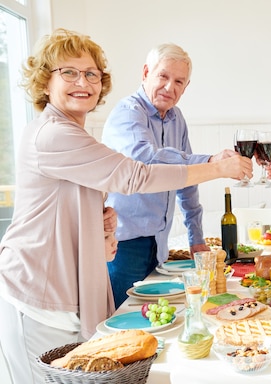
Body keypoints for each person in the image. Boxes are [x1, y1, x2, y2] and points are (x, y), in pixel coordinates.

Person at [0, 28, 251, 384]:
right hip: (39, 295)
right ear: (45, 79)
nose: (82, 82)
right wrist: (216, 168)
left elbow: (74, 199)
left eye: (91, 74)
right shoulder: (53, 134)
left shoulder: (74, 132)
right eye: (68, 72)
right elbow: (136, 174)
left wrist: (98, 221)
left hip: (68, 292)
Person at [102, 44, 237, 308]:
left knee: (155, 323)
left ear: (185, 87)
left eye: (178, 81)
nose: (169, 87)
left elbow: (186, 181)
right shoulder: (128, 113)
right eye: (163, 76)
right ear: (145, 73)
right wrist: (210, 162)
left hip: (158, 244)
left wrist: (196, 239)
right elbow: (147, 159)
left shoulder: (176, 119)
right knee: (122, 321)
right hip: (123, 245)